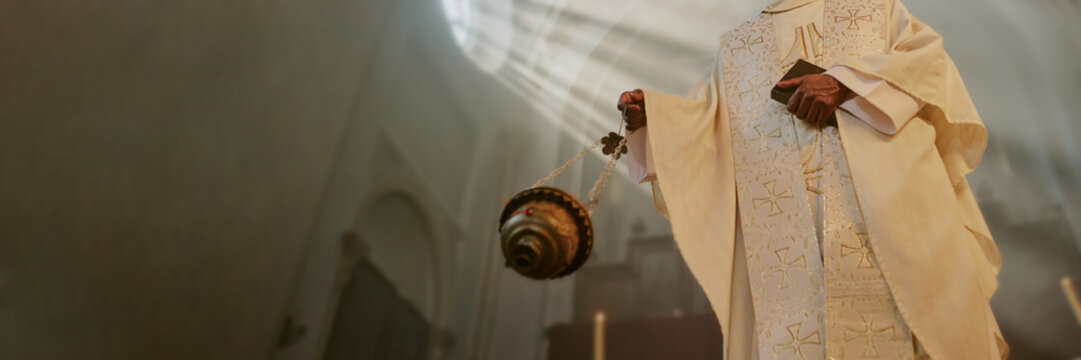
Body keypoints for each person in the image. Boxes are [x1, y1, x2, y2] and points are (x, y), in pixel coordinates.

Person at [617, 0, 1006, 359]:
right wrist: (656, 120)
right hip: (788, 262)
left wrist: (845, 83)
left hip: (890, 231)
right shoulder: (739, 47)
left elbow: (927, 64)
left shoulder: (874, 9)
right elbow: (704, 126)